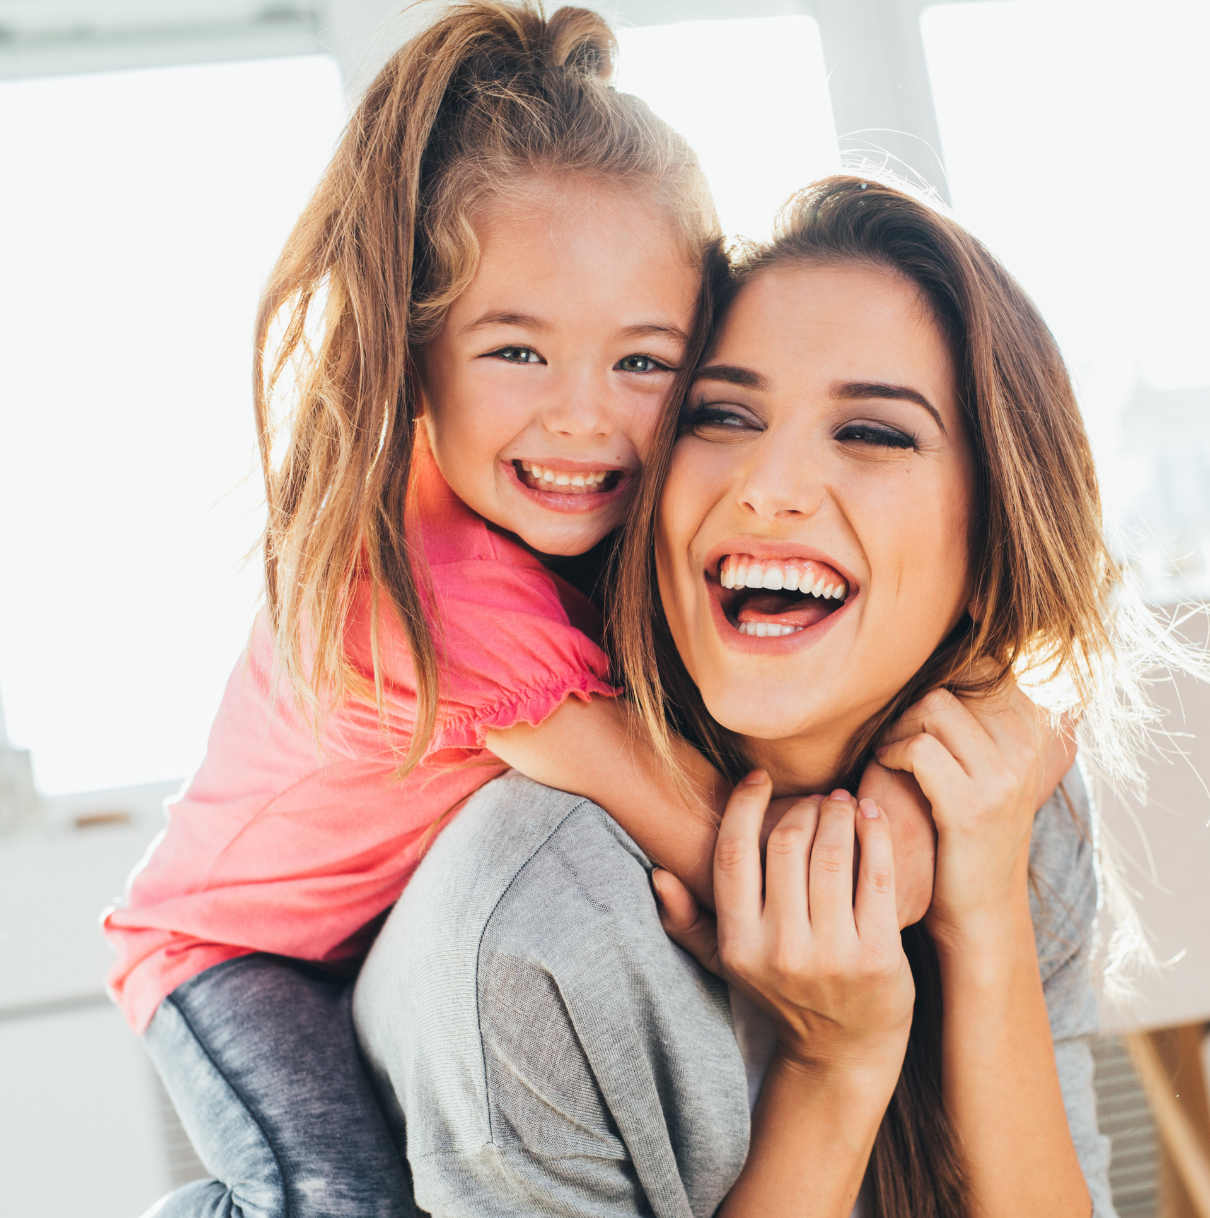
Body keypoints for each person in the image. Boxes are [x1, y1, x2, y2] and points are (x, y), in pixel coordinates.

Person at [97, 7, 913, 1216]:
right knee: (332, 1197)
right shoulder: (445, 586)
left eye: (642, 363)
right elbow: (677, 820)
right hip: (231, 954)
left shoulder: (563, 529)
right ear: (414, 348)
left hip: (357, 936)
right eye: (517, 354)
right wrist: (883, 874)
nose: (583, 417)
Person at [351, 176, 1207, 1216]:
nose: (768, 484)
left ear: (995, 533)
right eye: (719, 416)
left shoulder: (996, 809)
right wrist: (832, 1068)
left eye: (873, 432)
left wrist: (977, 914)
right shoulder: (533, 929)